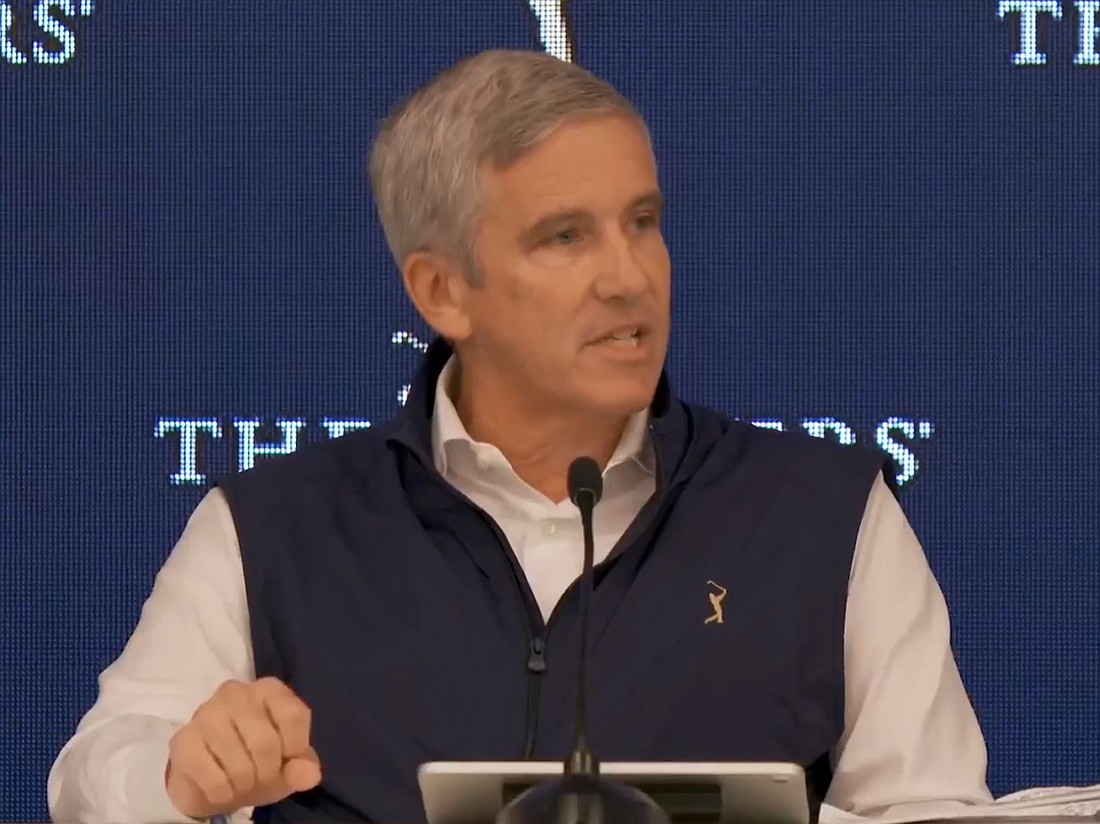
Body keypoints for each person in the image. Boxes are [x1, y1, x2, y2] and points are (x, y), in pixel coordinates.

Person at [48, 49, 993, 824]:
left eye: (643, 222)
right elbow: (93, 777)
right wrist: (180, 774)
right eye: (566, 237)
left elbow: (933, 807)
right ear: (441, 291)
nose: (630, 277)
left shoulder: (826, 512)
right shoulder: (274, 525)